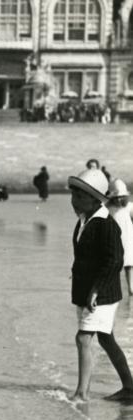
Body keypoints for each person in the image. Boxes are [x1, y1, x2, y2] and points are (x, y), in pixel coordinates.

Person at [67, 169, 133, 404]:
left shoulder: (106, 224)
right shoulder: (85, 220)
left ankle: (82, 394)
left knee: (83, 339)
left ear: (95, 199)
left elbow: (115, 260)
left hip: (101, 293)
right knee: (105, 338)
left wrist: (95, 289)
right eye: (73, 196)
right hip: (89, 291)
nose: (74, 201)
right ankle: (129, 387)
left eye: (80, 197)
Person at [107, 178, 133, 296]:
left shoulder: (129, 207)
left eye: (121, 196)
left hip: (128, 239)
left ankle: (131, 289)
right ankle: (113, 290)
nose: (118, 199)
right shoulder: (108, 209)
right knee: (114, 265)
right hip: (115, 240)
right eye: (116, 197)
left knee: (129, 265)